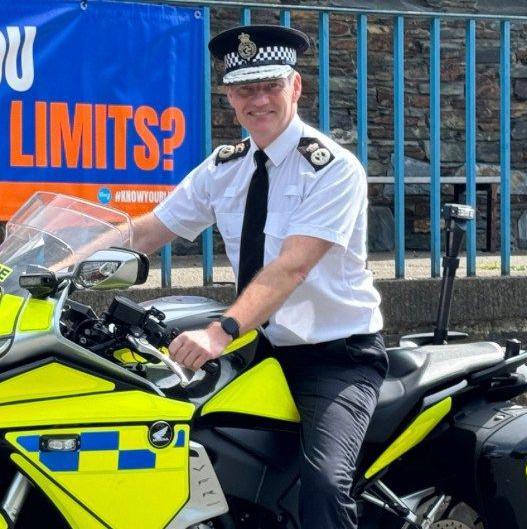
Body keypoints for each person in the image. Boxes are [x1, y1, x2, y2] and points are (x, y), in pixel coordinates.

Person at [129, 24, 387, 529]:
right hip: (261, 350)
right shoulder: (226, 166)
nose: (259, 100)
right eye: (246, 89)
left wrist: (219, 331)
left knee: (322, 486)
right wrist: (46, 268)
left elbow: (292, 266)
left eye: (270, 86)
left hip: (335, 357)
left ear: (295, 87)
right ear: (229, 97)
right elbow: (145, 232)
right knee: (199, 457)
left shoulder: (333, 169)